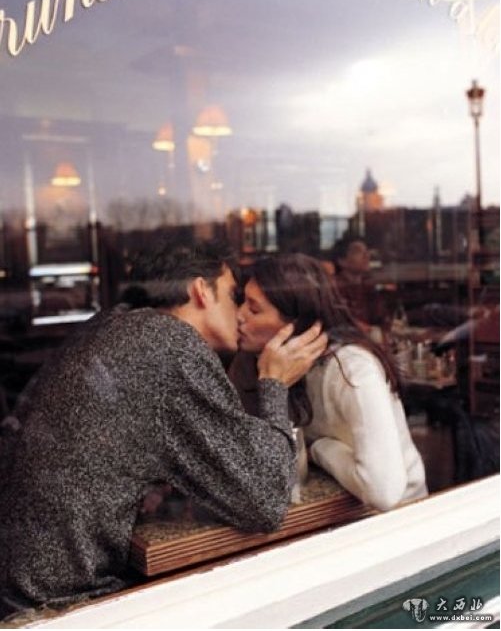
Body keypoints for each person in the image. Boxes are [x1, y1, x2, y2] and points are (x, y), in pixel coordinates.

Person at [0, 239, 327, 619]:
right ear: (201, 290)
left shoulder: (111, 325)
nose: (239, 313)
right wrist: (274, 382)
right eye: (233, 295)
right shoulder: (170, 346)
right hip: (60, 609)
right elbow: (265, 503)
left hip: (21, 590)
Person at [230, 253, 428, 512]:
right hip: (333, 511)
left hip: (400, 519)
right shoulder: (251, 363)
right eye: (241, 302)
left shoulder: (352, 368)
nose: (239, 315)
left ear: (294, 324)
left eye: (254, 309)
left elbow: (383, 492)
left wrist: (320, 448)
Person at [331, 234, 386, 331]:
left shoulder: (368, 284)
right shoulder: (334, 287)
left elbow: (380, 318)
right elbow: (341, 321)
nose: (366, 256)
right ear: (342, 261)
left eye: (366, 251)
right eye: (358, 251)